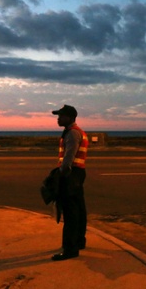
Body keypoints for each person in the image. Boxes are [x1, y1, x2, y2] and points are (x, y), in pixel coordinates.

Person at [51, 105, 89, 261]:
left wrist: (61, 174)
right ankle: (79, 241)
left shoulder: (72, 133)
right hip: (78, 173)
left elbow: (68, 158)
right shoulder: (77, 132)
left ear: (70, 117)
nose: (58, 118)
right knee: (79, 209)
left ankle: (70, 249)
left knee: (70, 213)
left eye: (61, 116)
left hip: (71, 174)